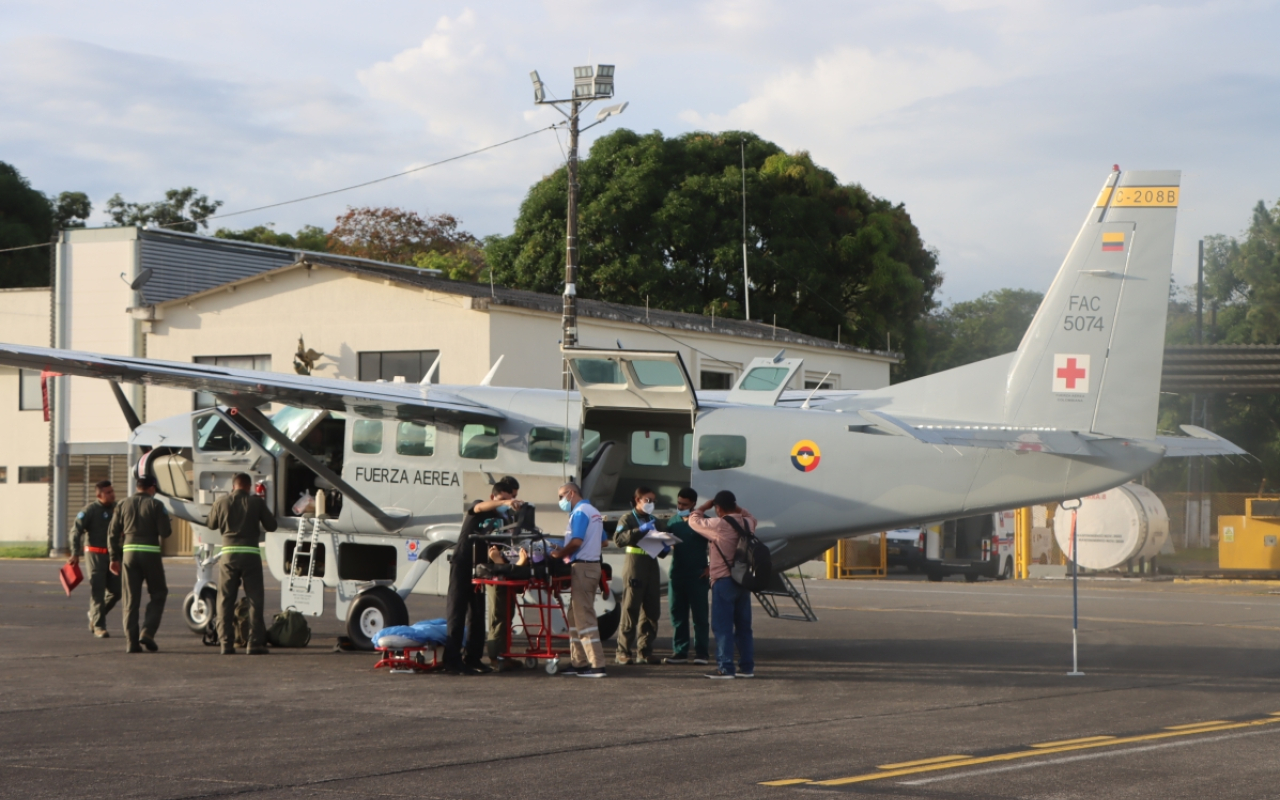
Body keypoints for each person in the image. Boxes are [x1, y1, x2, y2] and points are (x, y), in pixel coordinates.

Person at [443, 478, 519, 674]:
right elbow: (478, 508)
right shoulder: (480, 507)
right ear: (494, 496)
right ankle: (451, 660)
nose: (509, 501)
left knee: (477, 614)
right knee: (457, 612)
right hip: (463, 563)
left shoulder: (503, 519)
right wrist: (503, 503)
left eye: (512, 498)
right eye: (504, 498)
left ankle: (473, 658)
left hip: (480, 567)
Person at [687, 489, 757, 679]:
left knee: (722, 626)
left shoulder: (718, 524)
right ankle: (747, 668)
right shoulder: (748, 523)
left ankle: (725, 668)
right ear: (734, 505)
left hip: (724, 580)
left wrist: (703, 506)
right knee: (744, 627)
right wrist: (736, 507)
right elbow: (750, 515)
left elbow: (693, 521)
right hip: (743, 580)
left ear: (718, 509)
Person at [206, 473, 278, 655]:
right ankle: (254, 643)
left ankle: (225, 643)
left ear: (233, 486)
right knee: (255, 600)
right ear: (249, 486)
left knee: (225, 600)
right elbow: (272, 526)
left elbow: (211, 524)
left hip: (228, 556)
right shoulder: (256, 503)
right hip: (251, 556)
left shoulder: (221, 502)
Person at [108, 476, 172, 654]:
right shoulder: (156, 505)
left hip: (129, 554)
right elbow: (165, 532)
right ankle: (148, 632)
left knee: (130, 599)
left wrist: (114, 558)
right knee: (158, 593)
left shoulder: (122, 504)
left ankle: (131, 642)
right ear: (152, 488)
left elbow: (112, 533)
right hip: (150, 553)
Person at [550, 482, 607, 678]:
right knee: (575, 617)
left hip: (583, 568)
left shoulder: (581, 512)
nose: (560, 501)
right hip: (590, 567)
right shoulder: (594, 512)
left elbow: (576, 541)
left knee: (584, 619)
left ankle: (597, 665)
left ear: (571, 493)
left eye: (561, 496)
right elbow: (604, 541)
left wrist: (560, 554)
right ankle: (579, 662)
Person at [612, 486, 667, 665]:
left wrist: (665, 545)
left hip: (651, 565)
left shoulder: (655, 520)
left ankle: (644, 651)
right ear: (638, 500)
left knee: (652, 611)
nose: (651, 504)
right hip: (635, 565)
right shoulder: (627, 518)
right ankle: (623, 652)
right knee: (630, 609)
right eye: (648, 500)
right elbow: (618, 540)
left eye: (654, 501)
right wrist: (639, 531)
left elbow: (662, 550)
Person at [662, 488, 710, 665]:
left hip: (697, 575)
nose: (680, 506)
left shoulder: (703, 521)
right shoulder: (673, 522)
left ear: (693, 505)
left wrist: (711, 567)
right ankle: (680, 652)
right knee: (677, 614)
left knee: (700, 616)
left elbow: (719, 542)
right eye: (679, 503)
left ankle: (702, 653)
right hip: (677, 575)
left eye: (684, 504)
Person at [69, 480, 120, 639]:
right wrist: (75, 553)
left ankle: (94, 614)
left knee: (116, 592)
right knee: (98, 591)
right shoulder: (89, 510)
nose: (112, 494)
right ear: (99, 495)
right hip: (95, 555)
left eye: (112, 491)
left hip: (113, 557)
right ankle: (99, 626)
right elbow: (75, 531)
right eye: (108, 492)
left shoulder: (117, 508)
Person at [485, 476, 523, 672]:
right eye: (506, 499)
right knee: (498, 614)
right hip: (495, 571)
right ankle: (496, 658)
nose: (510, 503)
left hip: (506, 569)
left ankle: (503, 654)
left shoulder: (508, 516)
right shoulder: (488, 515)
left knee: (507, 613)